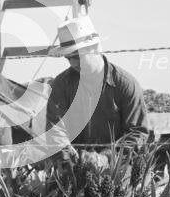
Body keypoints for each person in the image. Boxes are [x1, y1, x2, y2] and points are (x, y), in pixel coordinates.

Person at [46, 16, 149, 160]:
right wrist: (71, 159)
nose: (73, 63)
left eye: (77, 56)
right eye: (68, 58)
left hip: (117, 167)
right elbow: (55, 132)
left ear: (95, 48)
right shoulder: (61, 85)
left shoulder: (125, 84)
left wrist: (105, 158)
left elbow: (137, 133)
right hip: (74, 167)